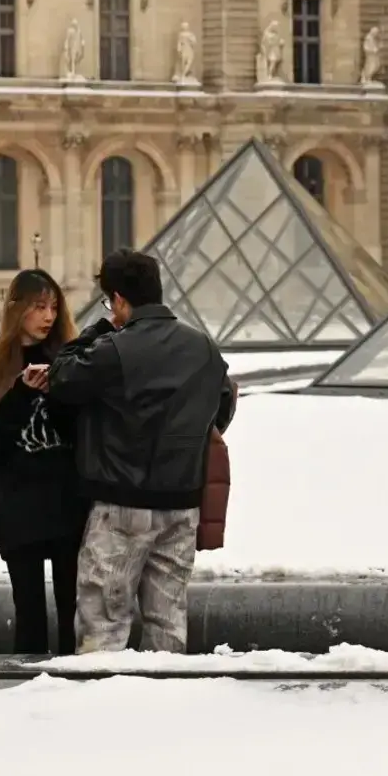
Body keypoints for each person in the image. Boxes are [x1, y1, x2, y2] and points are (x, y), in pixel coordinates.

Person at [47, 249, 237, 653]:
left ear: (118, 299)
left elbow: (63, 376)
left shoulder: (115, 348)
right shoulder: (201, 346)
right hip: (183, 505)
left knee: (104, 624)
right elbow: (223, 402)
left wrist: (95, 330)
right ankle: (163, 709)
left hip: (121, 504)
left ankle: (103, 709)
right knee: (168, 623)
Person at [0, 269, 88, 656]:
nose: (48, 316)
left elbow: (85, 430)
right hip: (18, 510)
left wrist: (62, 393)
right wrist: (18, 394)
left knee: (74, 612)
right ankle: (26, 699)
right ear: (17, 310)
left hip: (68, 507)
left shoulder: (72, 359)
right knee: (29, 612)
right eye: (38, 307)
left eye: (53, 307)